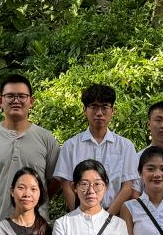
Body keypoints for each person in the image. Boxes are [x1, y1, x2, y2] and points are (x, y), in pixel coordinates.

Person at [0, 73, 61, 228]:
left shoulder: (46, 138)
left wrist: (35, 200)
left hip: (36, 226)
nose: (16, 100)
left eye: (22, 96)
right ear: (1, 101)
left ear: (31, 101)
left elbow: (54, 182)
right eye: (10, 96)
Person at [55, 84, 138, 216]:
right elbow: (66, 184)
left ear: (113, 110)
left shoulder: (125, 146)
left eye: (105, 107)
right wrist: (78, 216)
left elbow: (127, 187)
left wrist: (107, 218)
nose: (99, 113)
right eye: (93, 107)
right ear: (84, 110)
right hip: (79, 216)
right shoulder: (70, 146)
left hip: (115, 217)